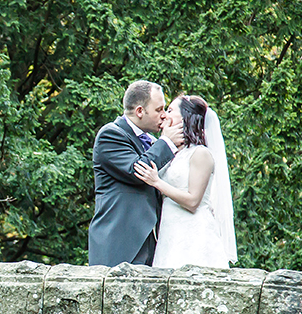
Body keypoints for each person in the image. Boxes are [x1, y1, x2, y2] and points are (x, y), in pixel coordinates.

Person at [88, 80, 187, 266]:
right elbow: (138, 171)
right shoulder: (110, 135)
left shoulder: (151, 141)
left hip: (154, 245)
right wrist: (166, 143)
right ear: (140, 111)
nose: (164, 116)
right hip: (119, 245)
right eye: (159, 110)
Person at [133, 95, 237, 269]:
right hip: (169, 232)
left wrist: (157, 182)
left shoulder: (200, 154)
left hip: (194, 233)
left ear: (186, 117)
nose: (164, 115)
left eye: (171, 111)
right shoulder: (172, 155)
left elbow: (193, 201)